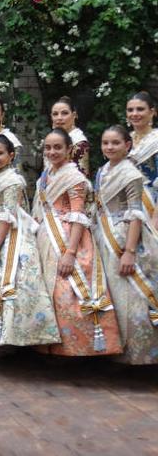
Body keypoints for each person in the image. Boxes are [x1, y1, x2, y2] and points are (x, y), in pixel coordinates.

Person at [34, 128, 122, 356]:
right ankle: (50, 346)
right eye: (48, 147)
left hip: (70, 238)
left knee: (67, 292)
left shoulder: (75, 178)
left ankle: (76, 349)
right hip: (47, 238)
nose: (52, 152)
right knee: (50, 291)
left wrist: (71, 252)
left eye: (57, 147)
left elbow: (79, 215)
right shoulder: (47, 175)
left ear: (69, 150)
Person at [0, 136, 59, 347]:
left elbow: (9, 214)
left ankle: (13, 338)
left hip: (8, 236)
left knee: (13, 284)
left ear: (10, 156)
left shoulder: (13, 179)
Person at [93, 125, 158, 364]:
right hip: (102, 235)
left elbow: (135, 214)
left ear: (127, 145)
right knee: (109, 292)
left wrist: (130, 252)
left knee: (129, 295)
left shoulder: (131, 174)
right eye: (105, 143)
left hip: (124, 237)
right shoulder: (102, 171)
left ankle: (137, 353)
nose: (110, 147)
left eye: (115, 143)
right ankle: (111, 348)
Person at [126, 91, 158, 225]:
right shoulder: (124, 139)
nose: (134, 114)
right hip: (127, 206)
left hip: (151, 205)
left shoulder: (156, 140)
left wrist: (155, 220)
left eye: (140, 109)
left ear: (152, 112)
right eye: (130, 110)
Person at [50, 96, 89, 176]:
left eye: (64, 113)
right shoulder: (51, 138)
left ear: (74, 115)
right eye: (55, 114)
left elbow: (81, 178)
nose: (59, 118)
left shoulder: (79, 142)